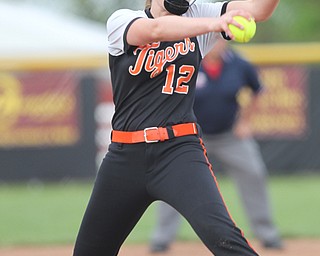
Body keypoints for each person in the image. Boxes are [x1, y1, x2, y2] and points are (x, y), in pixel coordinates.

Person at [73, 0, 280, 255]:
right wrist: (215, 24)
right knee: (90, 250)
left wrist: (215, 21)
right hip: (124, 157)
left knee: (223, 237)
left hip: (179, 153)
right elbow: (155, 30)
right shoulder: (122, 19)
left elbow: (258, 10)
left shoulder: (198, 14)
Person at [149, 39, 283, 253]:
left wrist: (245, 121)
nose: (218, 43)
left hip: (230, 136)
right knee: (173, 180)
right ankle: (161, 238)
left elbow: (258, 90)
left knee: (254, 173)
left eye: (222, 39)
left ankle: (268, 235)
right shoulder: (190, 61)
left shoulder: (239, 64)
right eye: (214, 38)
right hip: (191, 137)